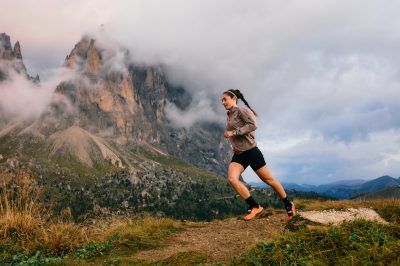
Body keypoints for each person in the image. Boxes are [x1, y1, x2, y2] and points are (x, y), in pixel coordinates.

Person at [221, 89, 296, 221]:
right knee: (232, 179)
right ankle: (255, 206)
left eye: (225, 99)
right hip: (239, 154)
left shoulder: (242, 111)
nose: (223, 102)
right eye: (221, 100)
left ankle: (288, 204)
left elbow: (253, 125)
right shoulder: (229, 115)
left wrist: (233, 133)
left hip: (251, 152)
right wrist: (234, 144)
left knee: (268, 180)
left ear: (234, 99)